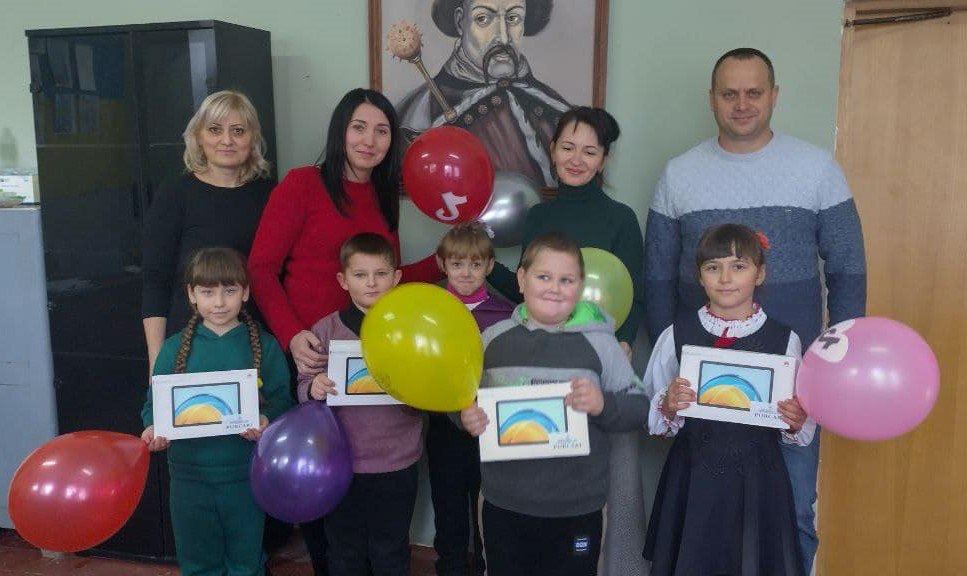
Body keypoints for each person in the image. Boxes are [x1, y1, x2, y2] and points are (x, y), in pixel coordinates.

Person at [643, 47, 867, 574]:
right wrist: (671, 365)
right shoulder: (678, 175)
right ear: (712, 99)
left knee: (793, 514)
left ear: (774, 96)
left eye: (754, 93)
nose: (741, 104)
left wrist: (834, 363)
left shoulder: (817, 169)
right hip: (703, 392)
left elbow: (848, 269)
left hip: (791, 383)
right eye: (729, 93)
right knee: (700, 520)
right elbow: (657, 275)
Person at [247, 88, 441, 574]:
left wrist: (440, 263)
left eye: (382, 131)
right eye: (359, 127)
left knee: (362, 494)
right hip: (311, 354)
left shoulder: (383, 197)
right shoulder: (302, 184)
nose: (369, 140)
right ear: (340, 131)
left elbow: (388, 280)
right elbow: (261, 268)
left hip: (368, 358)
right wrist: (293, 335)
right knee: (321, 494)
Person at [485, 106, 648, 575]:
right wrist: (480, 261)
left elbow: (633, 291)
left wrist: (621, 343)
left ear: (604, 160)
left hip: (596, 356)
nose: (577, 159)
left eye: (590, 151)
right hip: (539, 357)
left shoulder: (620, 218)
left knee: (596, 481)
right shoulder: (539, 215)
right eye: (568, 147)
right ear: (553, 151)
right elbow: (530, 284)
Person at [459, 232, 648, 576]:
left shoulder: (601, 344)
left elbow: (640, 407)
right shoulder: (492, 340)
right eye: (543, 277)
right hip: (504, 503)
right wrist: (464, 416)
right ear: (521, 279)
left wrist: (603, 404)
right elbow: (461, 400)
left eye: (566, 280)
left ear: (580, 286)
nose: (554, 288)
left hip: (577, 508)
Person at [642, 224, 814, 576]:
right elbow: (653, 415)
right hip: (693, 476)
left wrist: (796, 419)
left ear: (759, 273)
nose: (725, 278)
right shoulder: (676, 335)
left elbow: (800, 423)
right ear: (700, 276)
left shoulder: (785, 340)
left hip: (758, 481)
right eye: (713, 267)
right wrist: (667, 404)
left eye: (738, 266)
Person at [140, 247, 294, 576]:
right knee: (198, 564)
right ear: (191, 295)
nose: (220, 302)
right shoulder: (173, 349)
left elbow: (283, 400)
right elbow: (153, 404)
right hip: (188, 480)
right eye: (208, 292)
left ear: (245, 292)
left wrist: (266, 420)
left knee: (246, 563)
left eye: (230, 291)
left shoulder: (265, 346)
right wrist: (152, 428)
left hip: (245, 478)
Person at [295, 233, 420, 576]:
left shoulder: (411, 329)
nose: (371, 283)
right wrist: (314, 388)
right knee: (345, 551)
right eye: (360, 275)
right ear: (343, 280)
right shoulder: (327, 330)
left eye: (381, 274)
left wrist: (413, 393)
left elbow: (426, 393)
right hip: (341, 464)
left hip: (397, 462)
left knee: (391, 550)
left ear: (396, 277)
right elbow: (302, 387)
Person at [142, 90, 274, 374]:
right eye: (215, 130)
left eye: (238, 131)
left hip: (254, 348)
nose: (227, 140)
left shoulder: (272, 195)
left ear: (252, 139)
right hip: (187, 350)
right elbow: (156, 281)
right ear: (198, 136)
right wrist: (156, 361)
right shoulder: (175, 194)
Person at [395, 0, 570, 187]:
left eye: (513, 18)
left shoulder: (556, 110)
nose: (503, 38)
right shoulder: (419, 113)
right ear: (460, 22)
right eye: (483, 19)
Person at [428, 222, 513, 576]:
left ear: (490, 266)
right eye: (457, 264)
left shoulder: (505, 314)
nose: (466, 272)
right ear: (442, 264)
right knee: (448, 510)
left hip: (489, 427)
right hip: (442, 427)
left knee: (486, 510)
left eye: (476, 264)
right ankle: (450, 567)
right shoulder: (428, 310)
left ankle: (483, 567)